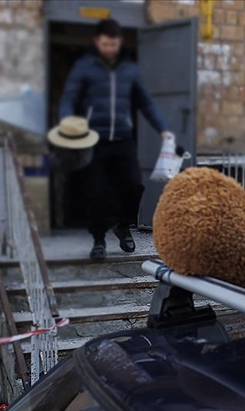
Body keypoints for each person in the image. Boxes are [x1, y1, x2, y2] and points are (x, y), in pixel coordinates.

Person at [59, 18, 172, 260]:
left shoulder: (130, 70)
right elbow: (69, 96)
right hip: (93, 139)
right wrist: (66, 120)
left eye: (113, 44)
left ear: (119, 42)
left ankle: (124, 226)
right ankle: (98, 239)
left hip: (122, 139)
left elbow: (145, 102)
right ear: (97, 42)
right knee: (96, 191)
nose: (109, 48)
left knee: (134, 185)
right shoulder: (85, 66)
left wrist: (163, 129)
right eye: (104, 44)